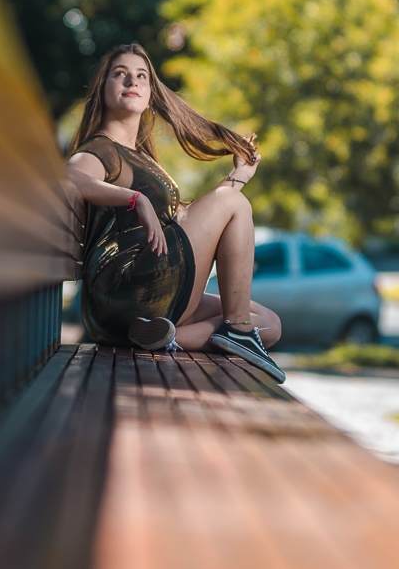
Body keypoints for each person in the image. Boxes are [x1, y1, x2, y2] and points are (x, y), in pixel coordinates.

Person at [65, 41, 284, 383]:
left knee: (270, 323)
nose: (132, 81)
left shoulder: (141, 157)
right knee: (235, 206)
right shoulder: (101, 149)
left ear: (150, 94)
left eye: (141, 76)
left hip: (140, 308)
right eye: (120, 74)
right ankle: (235, 331)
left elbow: (190, 221)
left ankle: (167, 335)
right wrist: (134, 199)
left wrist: (237, 177)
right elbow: (69, 177)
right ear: (101, 87)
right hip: (127, 289)